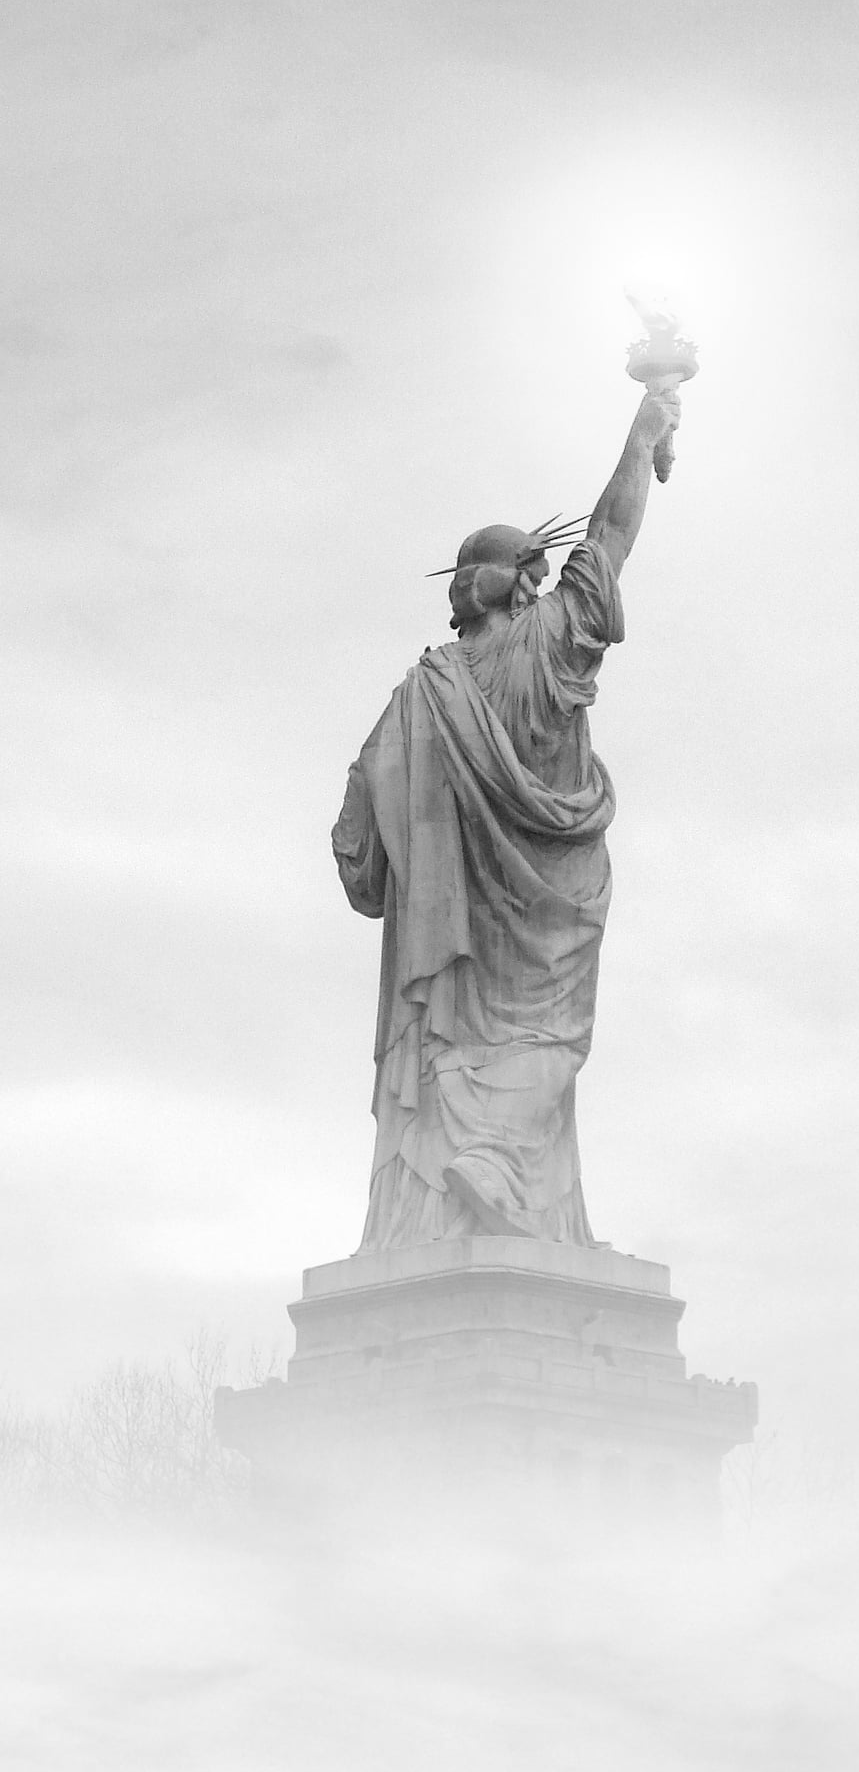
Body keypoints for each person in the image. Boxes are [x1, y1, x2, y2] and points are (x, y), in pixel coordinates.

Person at [331, 386, 682, 1248]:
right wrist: (644, 433)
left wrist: (398, 847)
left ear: (475, 585)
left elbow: (356, 847)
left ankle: (471, 1183)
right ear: (523, 582)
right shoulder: (549, 639)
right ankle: (499, 1174)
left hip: (452, 935)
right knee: (542, 1036)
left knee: (473, 1039)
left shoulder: (425, 690)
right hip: (547, 902)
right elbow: (611, 538)